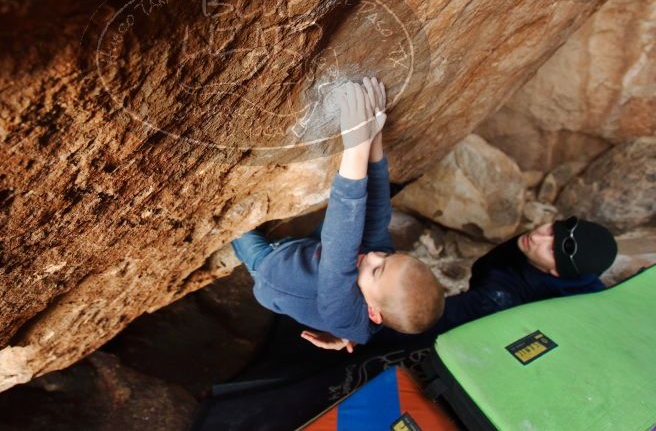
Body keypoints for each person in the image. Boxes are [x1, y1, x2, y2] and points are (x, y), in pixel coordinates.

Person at [232, 77, 445, 352]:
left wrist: (356, 144)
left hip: (272, 270)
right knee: (363, 223)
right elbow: (376, 216)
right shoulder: (378, 287)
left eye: (378, 270)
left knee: (237, 228)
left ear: (372, 312)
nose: (376, 255)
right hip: (313, 254)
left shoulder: (343, 314)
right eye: (389, 256)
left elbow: (339, 248)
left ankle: (237, 237)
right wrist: (374, 142)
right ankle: (292, 241)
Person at [306, 215, 619, 351]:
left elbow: (427, 323)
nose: (538, 236)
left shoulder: (500, 299)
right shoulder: (578, 280)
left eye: (550, 249)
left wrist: (355, 334)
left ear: (554, 275)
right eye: (554, 229)